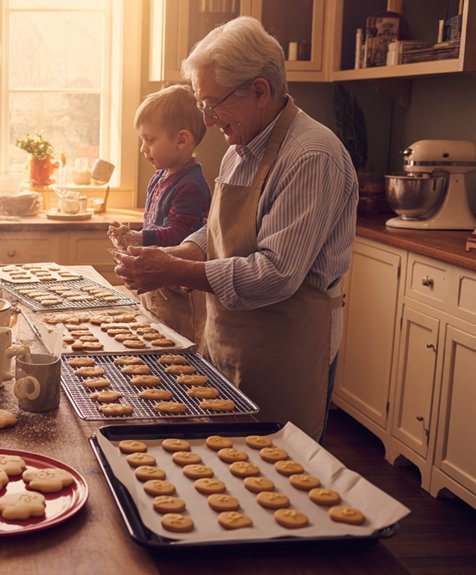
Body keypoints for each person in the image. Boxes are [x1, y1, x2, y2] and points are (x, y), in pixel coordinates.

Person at [113, 16, 358, 441]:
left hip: (286, 345)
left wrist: (171, 271)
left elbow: (275, 274)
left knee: (279, 476)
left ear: (259, 91)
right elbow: (214, 234)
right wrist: (168, 256)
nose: (207, 120)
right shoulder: (239, 147)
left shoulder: (311, 156)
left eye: (212, 104)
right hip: (228, 337)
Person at [108, 84, 211, 347]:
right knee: (155, 342)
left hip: (180, 295)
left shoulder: (191, 186)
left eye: (150, 140)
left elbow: (179, 234)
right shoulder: (158, 177)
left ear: (181, 140)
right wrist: (132, 235)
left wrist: (139, 238)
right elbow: (153, 223)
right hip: (157, 288)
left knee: (178, 348)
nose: (144, 149)